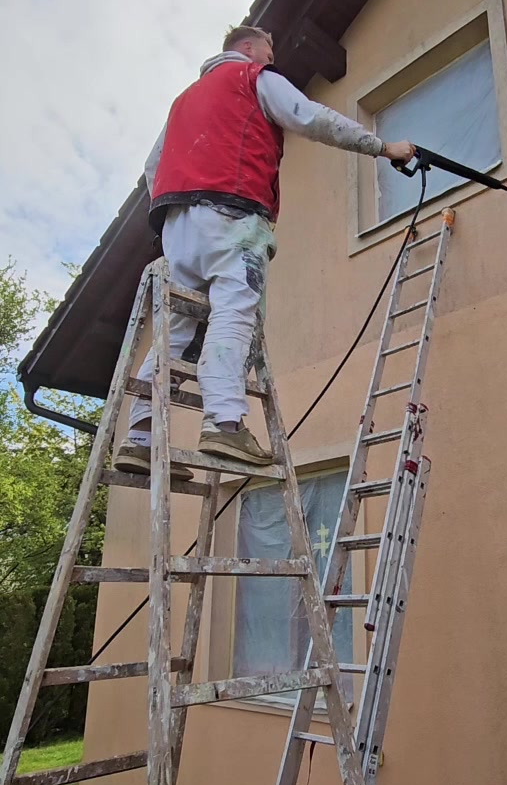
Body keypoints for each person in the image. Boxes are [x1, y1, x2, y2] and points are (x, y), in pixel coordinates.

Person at [114, 24, 415, 479]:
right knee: (233, 312)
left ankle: (138, 439)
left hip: (178, 225)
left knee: (174, 332)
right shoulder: (253, 78)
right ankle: (225, 424)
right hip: (233, 214)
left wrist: (179, 207)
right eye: (269, 49)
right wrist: (382, 147)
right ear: (249, 48)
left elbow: (153, 166)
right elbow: (310, 116)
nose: (272, 58)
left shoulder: (183, 102)